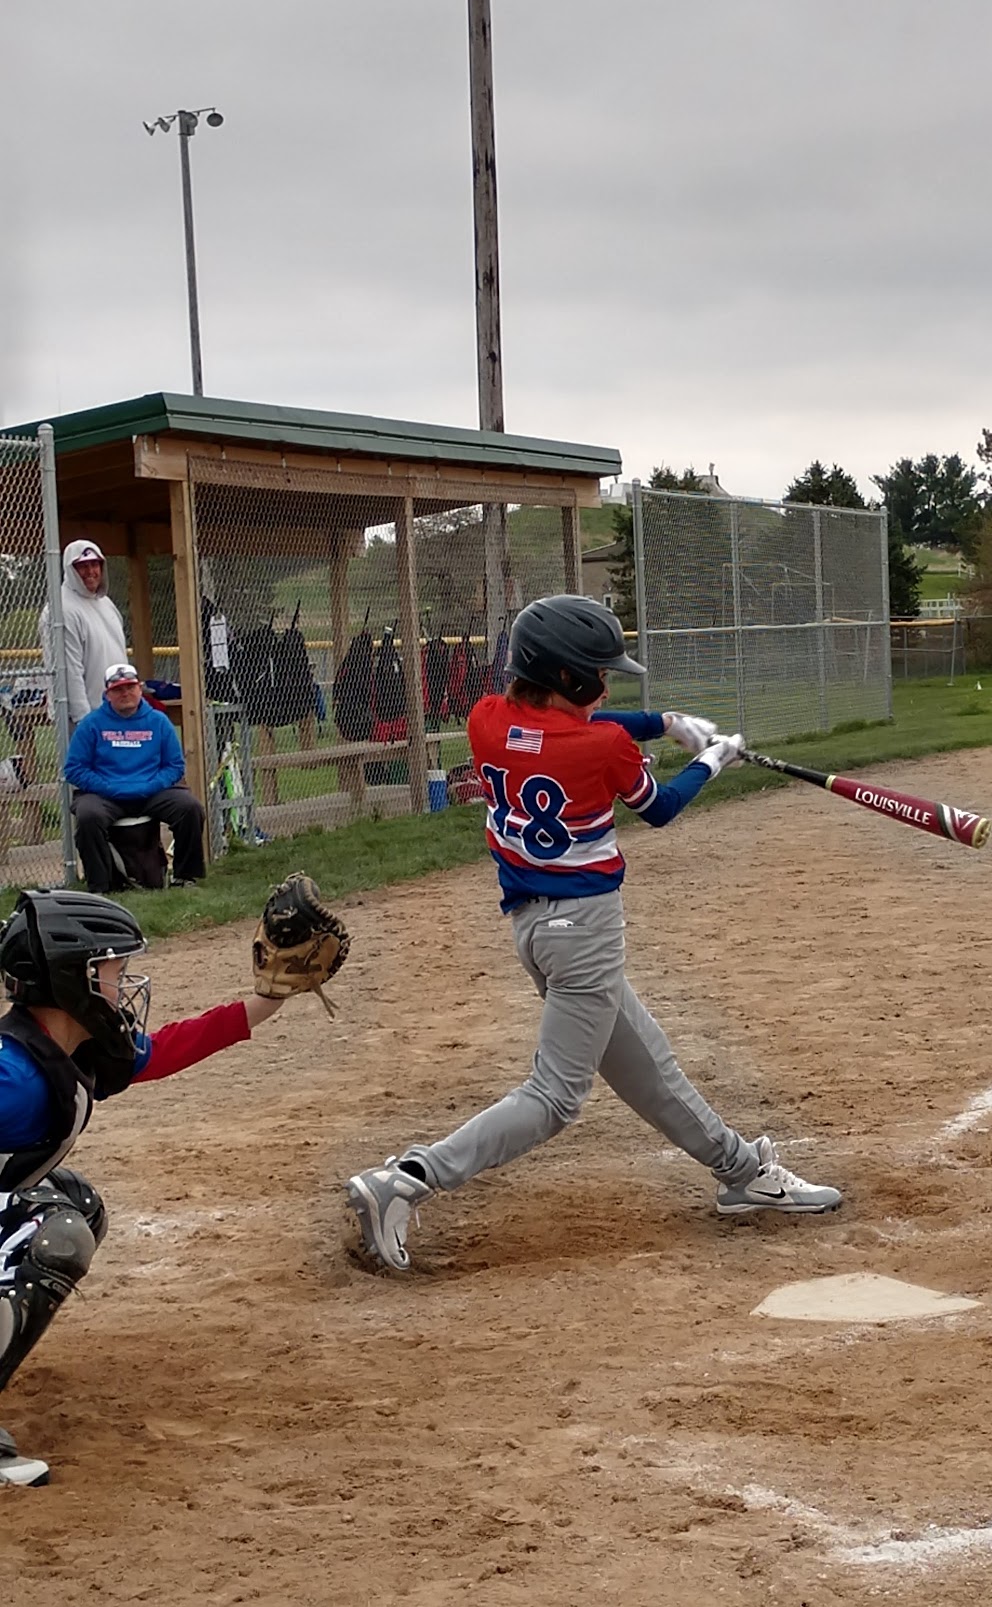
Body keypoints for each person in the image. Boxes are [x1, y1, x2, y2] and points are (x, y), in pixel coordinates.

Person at [345, 593, 842, 1273]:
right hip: (586, 932)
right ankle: (406, 1180)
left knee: (647, 1064)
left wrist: (661, 723)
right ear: (572, 679)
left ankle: (742, 1172)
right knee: (553, 1099)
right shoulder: (605, 745)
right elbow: (659, 807)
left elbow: (562, 732)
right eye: (599, 674)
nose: (608, 683)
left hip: (532, 929)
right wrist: (712, 758)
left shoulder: (486, 720)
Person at [0, 889, 288, 1486]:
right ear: (69, 979)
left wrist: (269, 999)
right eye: (112, 970)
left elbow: (167, 1049)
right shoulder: (18, 1079)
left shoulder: (67, 1048)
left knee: (74, 1202)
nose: (124, 983)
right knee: (54, 1236)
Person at [62, 661, 207, 891]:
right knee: (88, 816)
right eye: (118, 689)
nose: (125, 693)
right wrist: (109, 788)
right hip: (106, 795)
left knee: (190, 808)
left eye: (130, 687)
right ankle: (100, 886)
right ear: (107, 694)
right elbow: (74, 769)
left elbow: (175, 765)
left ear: (140, 689)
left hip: (151, 792)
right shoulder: (92, 724)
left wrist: (151, 786)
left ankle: (184, 877)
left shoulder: (158, 721)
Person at [50, 541, 130, 733]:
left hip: (115, 711)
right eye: (83, 566)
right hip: (84, 719)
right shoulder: (62, 608)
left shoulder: (106, 603)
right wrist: (84, 722)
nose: (90, 571)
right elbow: (69, 670)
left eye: (94, 564)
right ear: (71, 570)